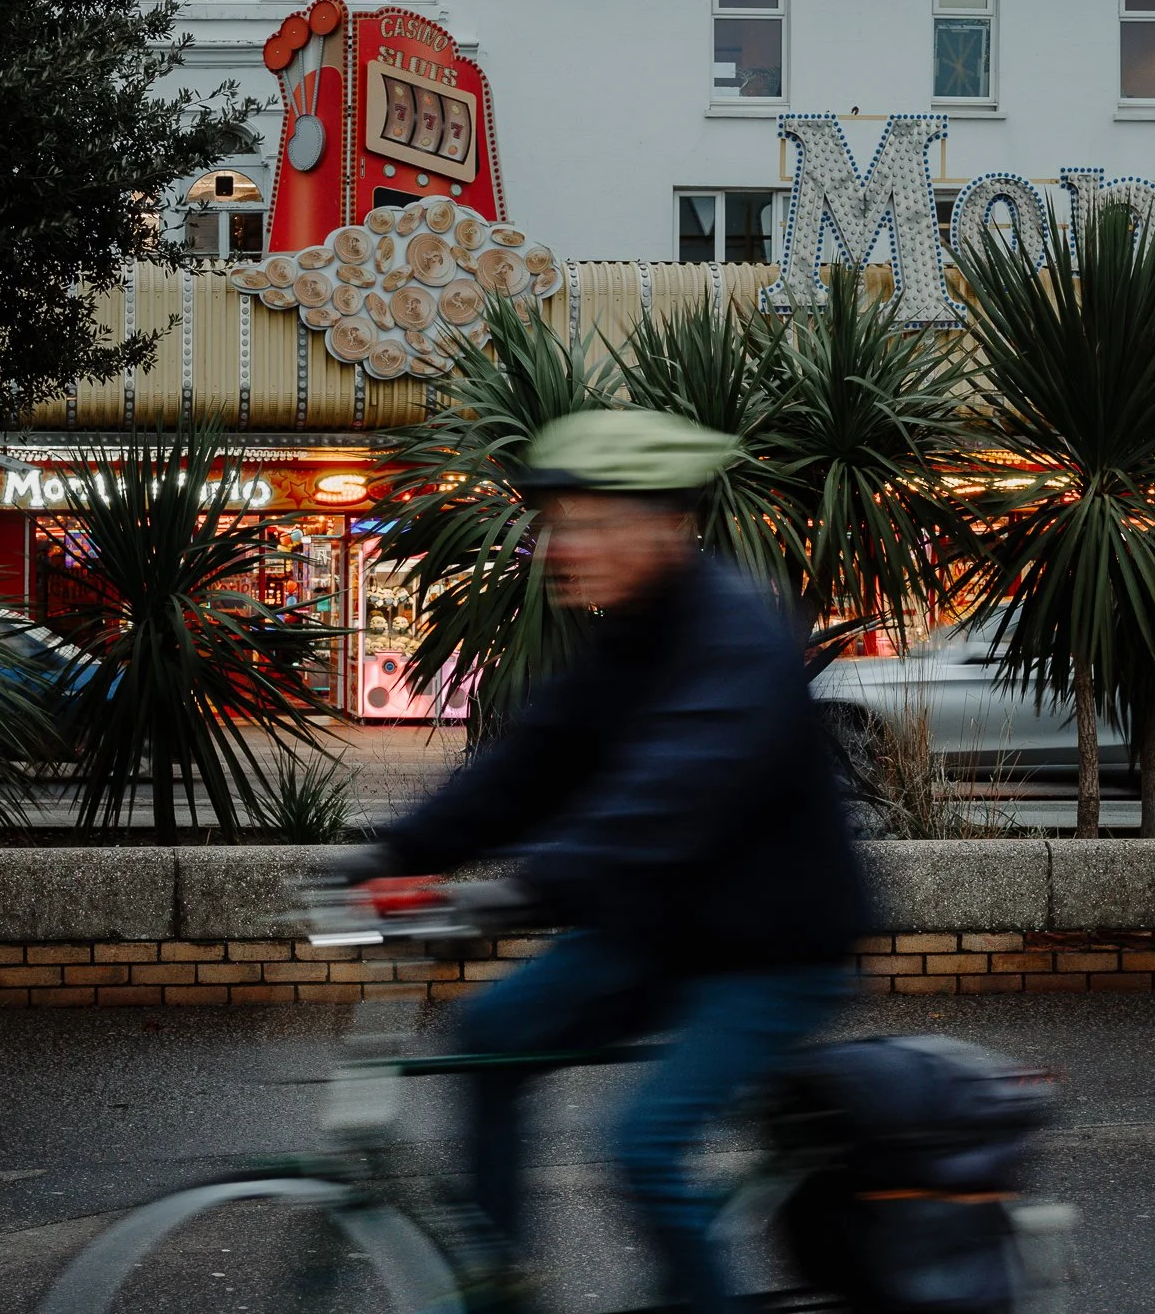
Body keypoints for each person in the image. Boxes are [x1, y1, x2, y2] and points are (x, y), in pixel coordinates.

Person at [347, 408, 870, 1314]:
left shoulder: (734, 636)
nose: (563, 547)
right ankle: (500, 1286)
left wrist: (517, 890)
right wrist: (392, 851)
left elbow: (665, 802)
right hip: (659, 927)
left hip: (772, 951)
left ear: (667, 523)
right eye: (557, 524)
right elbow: (526, 768)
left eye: (590, 521)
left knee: (641, 1143)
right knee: (489, 1037)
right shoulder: (625, 632)